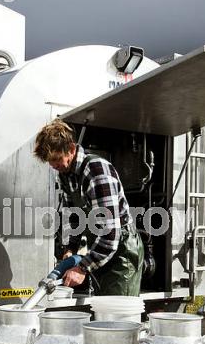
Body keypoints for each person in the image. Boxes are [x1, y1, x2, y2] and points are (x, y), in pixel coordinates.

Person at [34, 119, 144, 296]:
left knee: (117, 315)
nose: (53, 165)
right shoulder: (66, 175)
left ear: (70, 149)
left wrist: (82, 268)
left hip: (121, 251)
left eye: (56, 159)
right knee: (101, 312)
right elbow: (74, 216)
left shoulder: (96, 170)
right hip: (100, 247)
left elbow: (110, 233)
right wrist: (70, 249)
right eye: (49, 161)